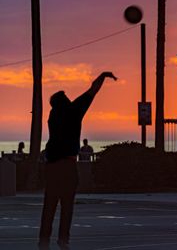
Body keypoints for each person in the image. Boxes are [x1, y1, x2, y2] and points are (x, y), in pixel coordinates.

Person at [39, 72, 117, 249]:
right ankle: (63, 239)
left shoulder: (53, 116)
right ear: (65, 101)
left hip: (52, 166)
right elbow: (92, 90)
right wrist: (103, 75)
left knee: (49, 204)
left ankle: (44, 239)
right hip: (67, 165)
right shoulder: (73, 111)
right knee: (67, 206)